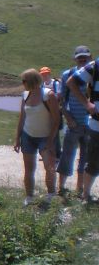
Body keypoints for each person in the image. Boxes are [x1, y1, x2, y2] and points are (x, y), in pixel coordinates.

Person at [14, 69, 60, 206]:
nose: (22, 84)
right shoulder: (25, 95)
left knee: (49, 167)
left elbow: (56, 120)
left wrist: (51, 141)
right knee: (29, 169)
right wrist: (17, 138)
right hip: (28, 136)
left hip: (45, 137)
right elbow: (22, 118)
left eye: (24, 81)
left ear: (32, 81)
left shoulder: (48, 95)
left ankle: (51, 194)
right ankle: (29, 197)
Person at [58, 46, 92, 197]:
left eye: (85, 57)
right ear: (75, 58)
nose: (83, 59)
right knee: (67, 156)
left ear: (90, 58)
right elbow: (61, 101)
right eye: (80, 57)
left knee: (86, 159)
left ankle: (80, 190)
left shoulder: (94, 75)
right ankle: (61, 188)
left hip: (90, 125)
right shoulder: (67, 75)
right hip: (74, 124)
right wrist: (68, 118)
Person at [66, 51, 99, 203]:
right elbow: (71, 82)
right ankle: (85, 195)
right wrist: (87, 103)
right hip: (97, 124)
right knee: (93, 161)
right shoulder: (95, 66)